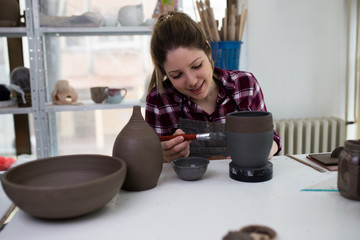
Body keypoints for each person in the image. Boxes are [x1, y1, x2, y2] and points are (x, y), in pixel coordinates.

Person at [145, 11, 281, 163]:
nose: (191, 81)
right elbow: (149, 158)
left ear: (208, 51)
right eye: (177, 75)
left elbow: (273, 139)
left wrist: (264, 149)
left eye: (196, 66)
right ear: (165, 73)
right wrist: (162, 156)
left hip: (241, 184)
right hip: (186, 186)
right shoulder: (159, 100)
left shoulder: (246, 85)